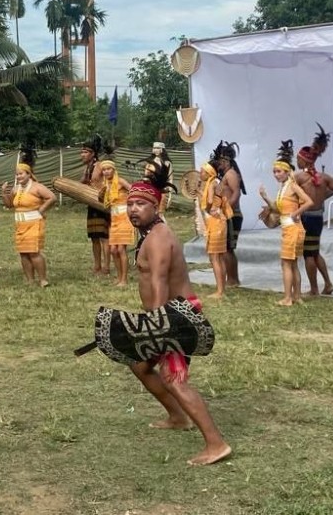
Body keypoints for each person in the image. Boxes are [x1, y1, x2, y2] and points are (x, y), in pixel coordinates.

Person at [125, 161, 231, 466]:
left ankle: (216, 443)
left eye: (141, 204)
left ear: (156, 206)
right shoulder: (151, 233)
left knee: (174, 379)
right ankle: (177, 416)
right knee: (140, 365)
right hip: (167, 314)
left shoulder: (158, 238)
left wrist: (157, 326)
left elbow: (159, 282)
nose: (133, 210)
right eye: (130, 204)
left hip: (174, 317)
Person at [294, 124, 333, 296]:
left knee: (309, 254)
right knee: (315, 252)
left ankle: (314, 289)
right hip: (318, 219)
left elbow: (293, 198)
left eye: (298, 159)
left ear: (305, 161)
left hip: (306, 218)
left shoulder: (298, 177)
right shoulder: (324, 178)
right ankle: (328, 284)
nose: (297, 162)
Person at [258, 140, 314, 306]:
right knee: (293, 263)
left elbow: (309, 202)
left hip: (293, 229)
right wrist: (265, 197)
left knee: (286, 264)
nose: (276, 174)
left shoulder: (292, 186)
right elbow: (277, 208)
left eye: (279, 171)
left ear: (287, 172)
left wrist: (296, 213)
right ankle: (296, 296)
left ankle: (288, 298)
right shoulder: (283, 187)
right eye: (274, 172)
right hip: (289, 228)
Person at [1, 146, 56, 286]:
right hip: (20, 225)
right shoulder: (16, 189)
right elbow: (9, 205)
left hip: (34, 223)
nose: (18, 177)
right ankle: (30, 279)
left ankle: (43, 279)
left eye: (21, 174)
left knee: (33, 252)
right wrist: (4, 193)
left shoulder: (37, 187)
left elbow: (52, 197)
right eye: (17, 174)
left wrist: (41, 210)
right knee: (23, 252)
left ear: (29, 174)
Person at [213, 142, 245, 287]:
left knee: (228, 249)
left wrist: (227, 210)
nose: (218, 164)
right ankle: (231, 278)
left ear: (226, 161)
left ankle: (233, 279)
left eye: (220, 162)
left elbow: (237, 193)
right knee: (226, 248)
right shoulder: (225, 175)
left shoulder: (231, 174)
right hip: (227, 215)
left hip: (232, 215)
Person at [99, 158, 134, 287]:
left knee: (120, 249)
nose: (106, 172)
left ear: (113, 170)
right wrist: (101, 195)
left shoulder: (120, 181)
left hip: (124, 217)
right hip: (114, 219)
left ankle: (124, 279)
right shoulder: (106, 184)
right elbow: (104, 201)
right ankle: (119, 277)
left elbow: (133, 191)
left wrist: (130, 205)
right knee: (113, 250)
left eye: (108, 169)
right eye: (104, 170)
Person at [80, 134, 111, 276]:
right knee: (94, 237)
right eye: (82, 152)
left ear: (93, 153)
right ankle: (97, 266)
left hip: (102, 204)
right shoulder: (87, 168)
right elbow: (83, 184)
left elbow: (110, 181)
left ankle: (106, 267)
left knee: (104, 237)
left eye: (85, 152)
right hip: (91, 204)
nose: (82, 155)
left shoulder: (100, 166)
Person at [198, 160, 229, 299]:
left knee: (215, 258)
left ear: (209, 173)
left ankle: (219, 291)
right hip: (220, 222)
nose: (200, 173)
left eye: (202, 171)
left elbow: (210, 201)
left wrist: (207, 209)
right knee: (220, 257)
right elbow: (215, 199)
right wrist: (200, 193)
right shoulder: (216, 182)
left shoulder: (211, 184)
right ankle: (222, 288)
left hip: (215, 223)